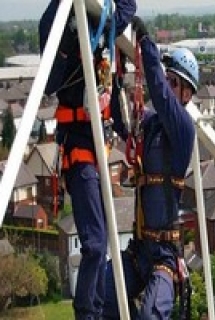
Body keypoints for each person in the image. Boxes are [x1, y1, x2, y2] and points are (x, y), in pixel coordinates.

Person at [38, 1, 136, 319]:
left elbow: (126, 8)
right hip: (78, 149)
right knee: (95, 243)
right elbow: (51, 81)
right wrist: (73, 31)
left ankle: (95, 308)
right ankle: (88, 313)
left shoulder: (101, 21)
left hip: (97, 150)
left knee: (102, 238)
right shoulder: (61, 15)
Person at [105, 16, 199, 319]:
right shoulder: (149, 125)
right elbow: (122, 120)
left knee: (151, 315)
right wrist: (115, 74)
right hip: (140, 251)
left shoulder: (183, 129)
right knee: (102, 293)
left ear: (187, 94)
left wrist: (146, 44)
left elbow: (157, 90)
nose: (168, 87)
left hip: (164, 257)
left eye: (175, 83)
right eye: (168, 80)